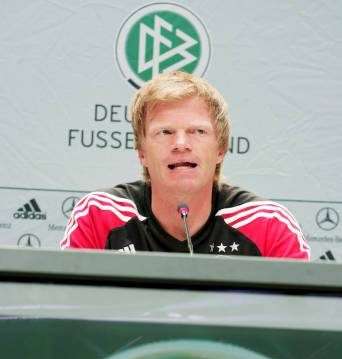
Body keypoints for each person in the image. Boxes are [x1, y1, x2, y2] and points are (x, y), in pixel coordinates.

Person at [61, 71, 310, 259]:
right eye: (165, 132)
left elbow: (302, 320)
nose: (181, 144)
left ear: (221, 149)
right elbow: (65, 315)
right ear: (142, 153)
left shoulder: (268, 225)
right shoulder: (98, 216)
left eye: (197, 131)